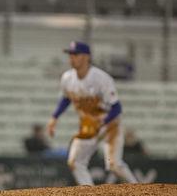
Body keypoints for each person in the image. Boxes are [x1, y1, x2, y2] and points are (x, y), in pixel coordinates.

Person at [46, 41, 138, 186]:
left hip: (109, 125)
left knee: (114, 165)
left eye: (75, 54)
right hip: (88, 125)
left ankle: (138, 189)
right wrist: (54, 118)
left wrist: (102, 122)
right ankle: (89, 194)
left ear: (86, 57)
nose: (71, 57)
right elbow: (66, 99)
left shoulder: (101, 78)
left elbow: (117, 107)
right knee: (75, 162)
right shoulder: (67, 78)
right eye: (70, 54)